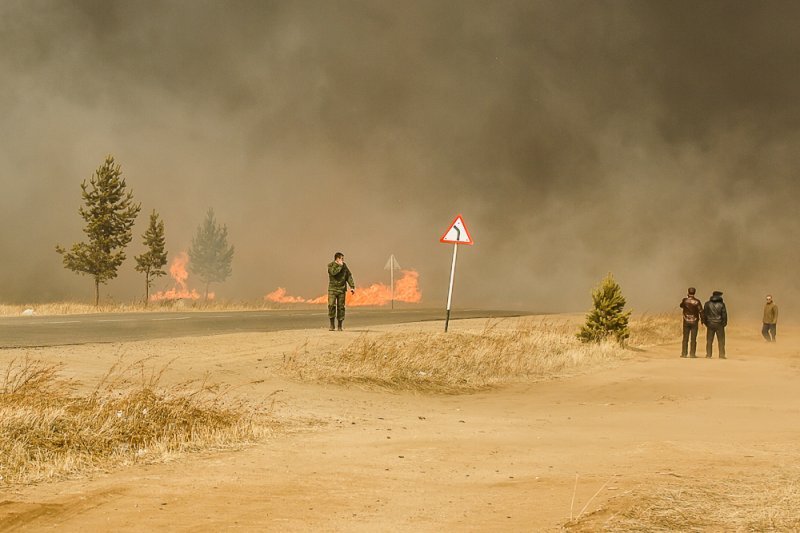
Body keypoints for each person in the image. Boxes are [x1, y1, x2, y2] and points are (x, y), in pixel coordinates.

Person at [327, 252, 355, 331]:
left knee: (341, 307)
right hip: (332, 289)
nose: (343, 260)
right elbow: (333, 273)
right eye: (341, 258)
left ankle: (340, 325)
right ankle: (332, 325)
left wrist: (352, 286)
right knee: (331, 305)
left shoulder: (344, 266)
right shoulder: (330, 265)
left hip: (342, 289)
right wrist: (339, 266)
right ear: (337, 259)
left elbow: (348, 276)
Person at [679, 287, 704, 358]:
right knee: (693, 339)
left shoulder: (685, 300)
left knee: (685, 338)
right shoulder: (697, 301)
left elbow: (681, 306)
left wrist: (686, 298)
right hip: (694, 321)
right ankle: (692, 354)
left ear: (688, 292)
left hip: (686, 321)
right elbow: (701, 311)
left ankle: (684, 353)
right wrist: (703, 320)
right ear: (695, 292)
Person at [703, 290, 728, 359]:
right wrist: (724, 324)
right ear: (719, 296)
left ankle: (708, 354)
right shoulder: (722, 304)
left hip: (710, 324)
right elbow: (724, 315)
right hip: (719, 324)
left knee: (709, 340)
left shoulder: (707, 304)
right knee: (721, 341)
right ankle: (721, 355)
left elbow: (704, 315)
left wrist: (706, 323)